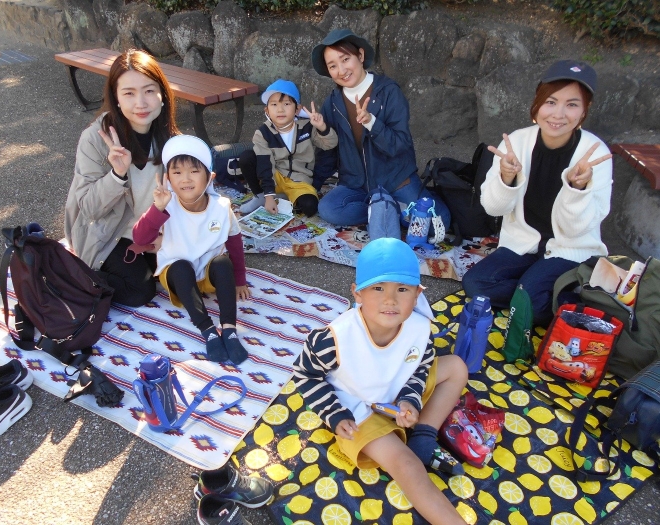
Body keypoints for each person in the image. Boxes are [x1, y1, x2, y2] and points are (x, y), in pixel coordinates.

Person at [294, 238, 468, 525]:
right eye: (378, 288)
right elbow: (305, 374)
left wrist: (410, 400)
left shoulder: (420, 328)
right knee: (407, 465)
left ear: (417, 294)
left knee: (457, 367)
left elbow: (420, 367)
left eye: (402, 289)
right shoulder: (333, 339)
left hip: (395, 395)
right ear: (357, 293)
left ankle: (423, 436)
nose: (390, 299)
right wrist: (334, 413)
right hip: (356, 410)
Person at [462, 60, 613, 325]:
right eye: (551, 102)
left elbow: (576, 230)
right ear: (538, 103)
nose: (559, 114)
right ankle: (544, 296)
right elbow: (493, 208)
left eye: (572, 105)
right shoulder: (517, 143)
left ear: (584, 111)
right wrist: (506, 178)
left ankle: (541, 295)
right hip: (523, 244)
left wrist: (577, 189)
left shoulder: (595, 154)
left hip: (570, 249)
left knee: (529, 298)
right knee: (476, 284)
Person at [65, 49, 179, 307]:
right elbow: (89, 209)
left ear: (162, 95)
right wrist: (116, 175)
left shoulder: (170, 138)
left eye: (149, 91)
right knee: (139, 291)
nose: (141, 103)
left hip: (151, 228)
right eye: (129, 93)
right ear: (116, 98)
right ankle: (67, 278)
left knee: (186, 273)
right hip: (109, 232)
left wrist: (168, 235)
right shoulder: (95, 139)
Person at [310, 29, 447, 232]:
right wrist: (311, 186)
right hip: (357, 184)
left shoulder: (389, 92)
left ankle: (388, 209)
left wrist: (372, 123)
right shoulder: (333, 103)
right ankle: (383, 210)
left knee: (436, 224)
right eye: (333, 66)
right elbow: (329, 152)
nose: (341, 70)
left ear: (360, 55)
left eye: (345, 59)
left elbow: (400, 144)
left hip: (396, 180)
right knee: (329, 209)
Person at [132, 135, 250, 365]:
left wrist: (240, 280)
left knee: (222, 262)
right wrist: (157, 208)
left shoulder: (221, 207)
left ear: (210, 177)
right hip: (178, 278)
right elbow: (140, 238)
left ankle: (229, 329)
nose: (185, 179)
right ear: (168, 178)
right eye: (177, 172)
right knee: (180, 267)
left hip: (207, 276)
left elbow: (235, 242)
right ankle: (208, 331)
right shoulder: (166, 206)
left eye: (194, 171)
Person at [238, 79, 337, 216]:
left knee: (310, 207)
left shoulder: (307, 127)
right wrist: (268, 195)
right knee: (247, 157)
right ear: (267, 110)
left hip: (299, 180)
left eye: (286, 104)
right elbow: (265, 164)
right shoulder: (263, 133)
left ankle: (284, 197)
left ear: (297, 109)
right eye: (274, 104)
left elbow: (330, 144)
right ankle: (261, 196)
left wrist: (322, 127)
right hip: (274, 176)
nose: (280, 110)